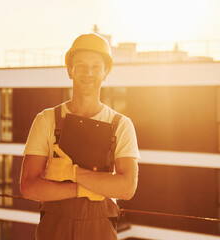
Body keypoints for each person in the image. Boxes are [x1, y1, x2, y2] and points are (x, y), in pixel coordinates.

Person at [20, 33, 140, 240]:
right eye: (81, 65)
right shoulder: (46, 120)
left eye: (96, 66)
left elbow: (127, 187)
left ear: (106, 72)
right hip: (54, 231)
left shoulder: (121, 125)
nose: (88, 72)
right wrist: (81, 190)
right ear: (69, 70)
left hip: (99, 231)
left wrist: (73, 173)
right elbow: (29, 186)